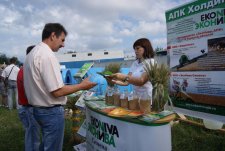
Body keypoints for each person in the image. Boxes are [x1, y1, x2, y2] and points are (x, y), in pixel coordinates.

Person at [24, 23, 96, 151]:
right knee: (52, 147)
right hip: (50, 111)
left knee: (46, 144)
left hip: (37, 109)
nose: (63, 45)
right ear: (53, 36)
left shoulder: (32, 53)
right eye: (62, 40)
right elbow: (57, 91)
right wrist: (82, 86)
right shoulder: (47, 55)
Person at [109, 38, 155, 103]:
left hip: (147, 100)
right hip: (135, 99)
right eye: (135, 49)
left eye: (138, 48)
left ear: (146, 48)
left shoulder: (151, 62)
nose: (135, 51)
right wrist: (113, 81)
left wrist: (123, 76)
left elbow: (141, 81)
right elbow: (127, 82)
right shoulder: (135, 63)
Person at [17, 45, 40, 151]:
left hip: (24, 107)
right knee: (33, 138)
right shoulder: (28, 69)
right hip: (29, 107)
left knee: (30, 134)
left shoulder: (23, 68)